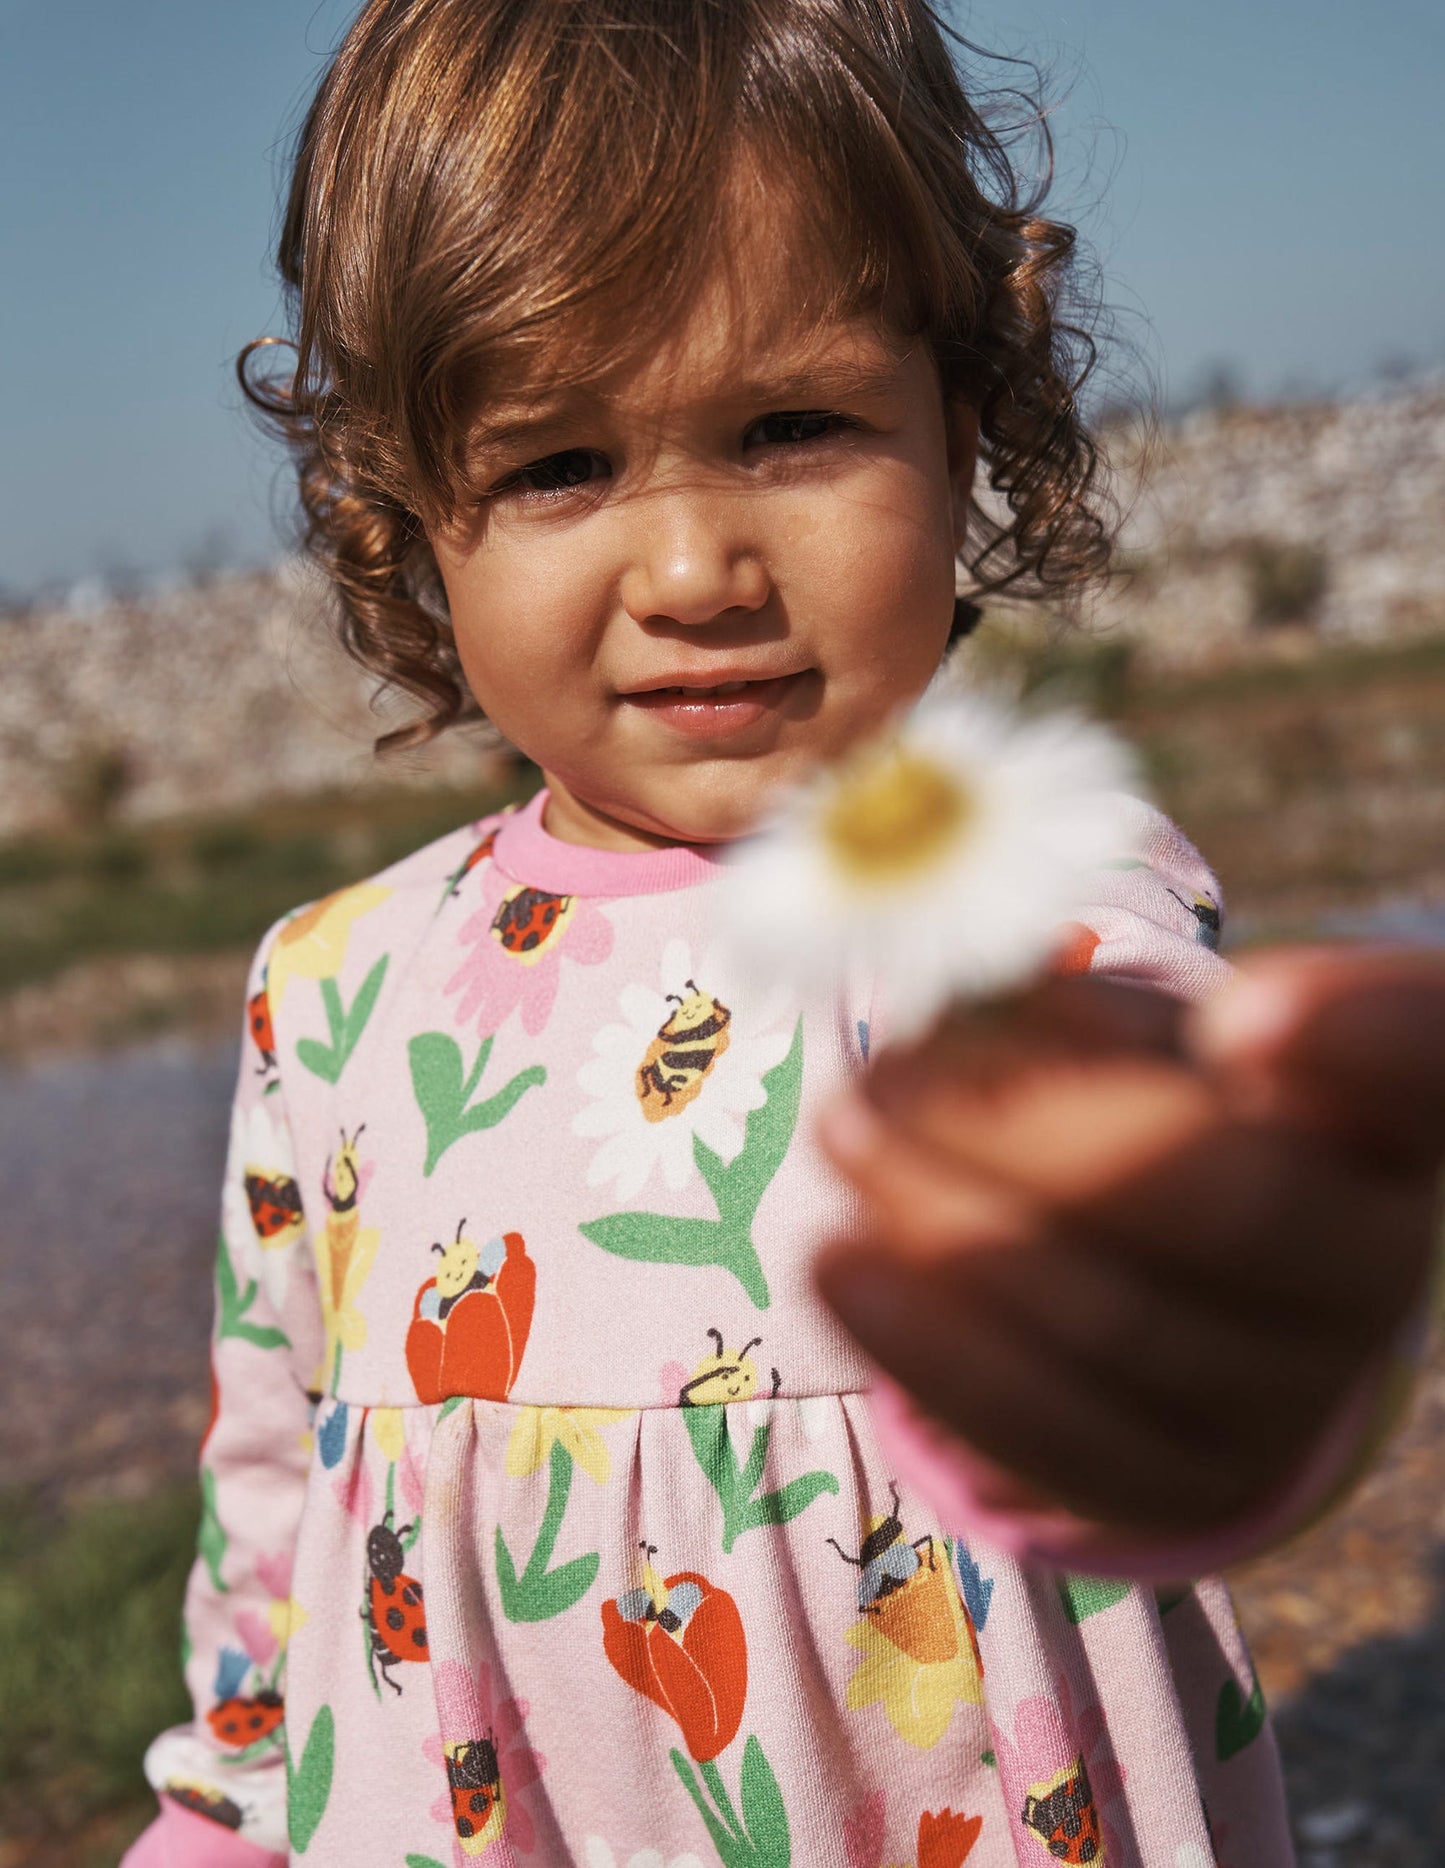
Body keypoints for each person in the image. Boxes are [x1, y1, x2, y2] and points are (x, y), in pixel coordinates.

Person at [123, 3, 1445, 1863]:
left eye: (792, 426)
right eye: (556, 469)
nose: (691, 575)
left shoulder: (1021, 896)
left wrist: (1216, 1280)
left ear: (964, 423)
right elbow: (276, 1495)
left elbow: (1144, 1198)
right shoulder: (329, 990)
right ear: (406, 516)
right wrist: (226, 1811)